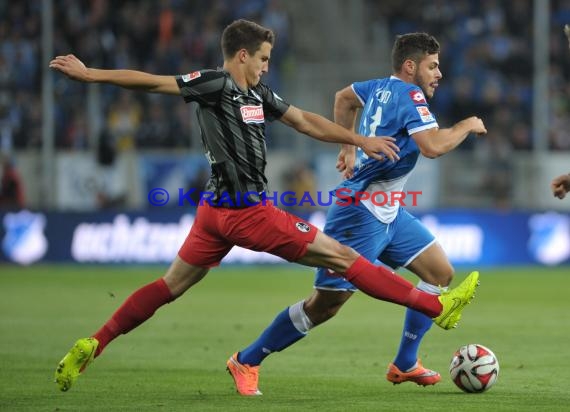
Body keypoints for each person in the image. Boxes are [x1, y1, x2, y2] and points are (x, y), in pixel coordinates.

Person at [50, 20, 479, 393]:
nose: (266, 66)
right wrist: (92, 76)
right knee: (342, 259)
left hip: (213, 213)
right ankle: (435, 308)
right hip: (246, 214)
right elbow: (153, 81)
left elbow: (305, 121)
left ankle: (96, 341)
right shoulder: (215, 84)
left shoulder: (260, 96)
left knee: (169, 287)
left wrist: (357, 142)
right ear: (242, 56)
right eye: (264, 59)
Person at [228, 32, 488, 396]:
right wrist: (466, 125)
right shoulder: (410, 95)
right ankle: (247, 359)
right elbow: (432, 147)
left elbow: (344, 98)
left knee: (439, 272)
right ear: (410, 67)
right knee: (325, 306)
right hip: (357, 213)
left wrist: (348, 146)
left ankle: (405, 363)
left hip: (389, 210)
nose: (439, 73)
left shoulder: (380, 88)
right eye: (433, 66)